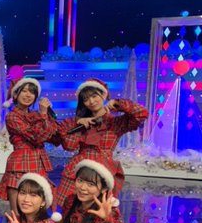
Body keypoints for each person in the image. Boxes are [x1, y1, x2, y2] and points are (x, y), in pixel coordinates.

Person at [55, 78, 148, 206]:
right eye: (86, 99)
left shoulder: (116, 122)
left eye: (94, 96)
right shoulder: (79, 122)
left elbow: (142, 113)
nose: (91, 101)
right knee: (69, 209)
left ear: (103, 95)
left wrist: (118, 103)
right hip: (78, 169)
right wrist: (78, 124)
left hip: (103, 169)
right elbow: (69, 146)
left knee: (98, 211)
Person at [0, 77, 58, 211]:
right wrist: (43, 115)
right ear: (15, 94)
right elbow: (36, 137)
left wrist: (48, 116)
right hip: (20, 163)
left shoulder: (36, 115)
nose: (28, 95)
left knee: (39, 210)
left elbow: (54, 136)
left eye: (32, 92)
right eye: (24, 91)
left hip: (38, 162)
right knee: (18, 212)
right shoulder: (12, 116)